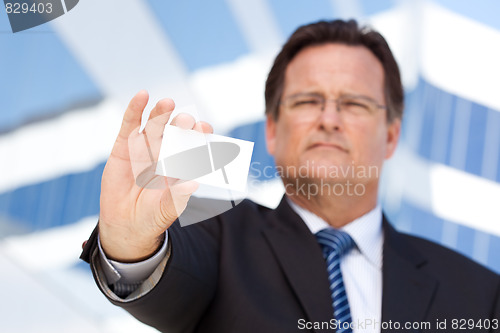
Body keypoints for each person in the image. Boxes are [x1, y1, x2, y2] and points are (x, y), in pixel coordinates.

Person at [81, 19, 500, 333]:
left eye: (354, 103)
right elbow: (162, 275)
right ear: (272, 131)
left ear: (391, 136)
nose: (329, 118)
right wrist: (129, 243)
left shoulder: (479, 294)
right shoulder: (219, 236)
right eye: (307, 100)